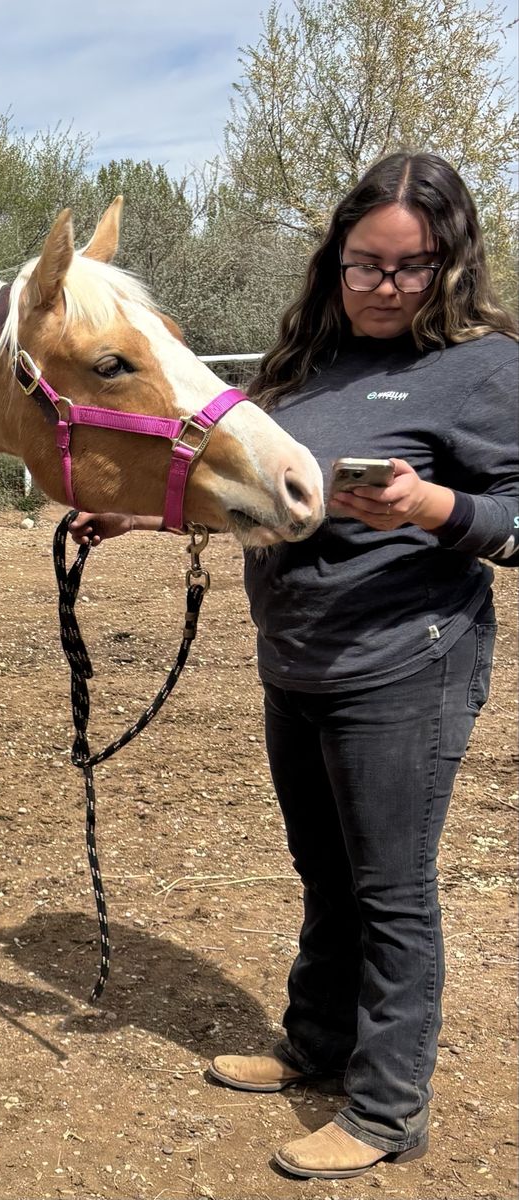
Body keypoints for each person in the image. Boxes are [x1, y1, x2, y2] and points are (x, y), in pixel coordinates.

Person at [71, 152, 518, 1181]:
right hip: (298, 658)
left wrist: (431, 507)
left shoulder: (485, 370)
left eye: (411, 267)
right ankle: (316, 1044)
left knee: (390, 892)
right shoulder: (301, 363)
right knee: (323, 874)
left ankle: (387, 1107)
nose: (384, 287)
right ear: (335, 258)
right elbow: (260, 496)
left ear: (450, 265)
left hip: (405, 665)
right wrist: (147, 517)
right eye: (365, 264)